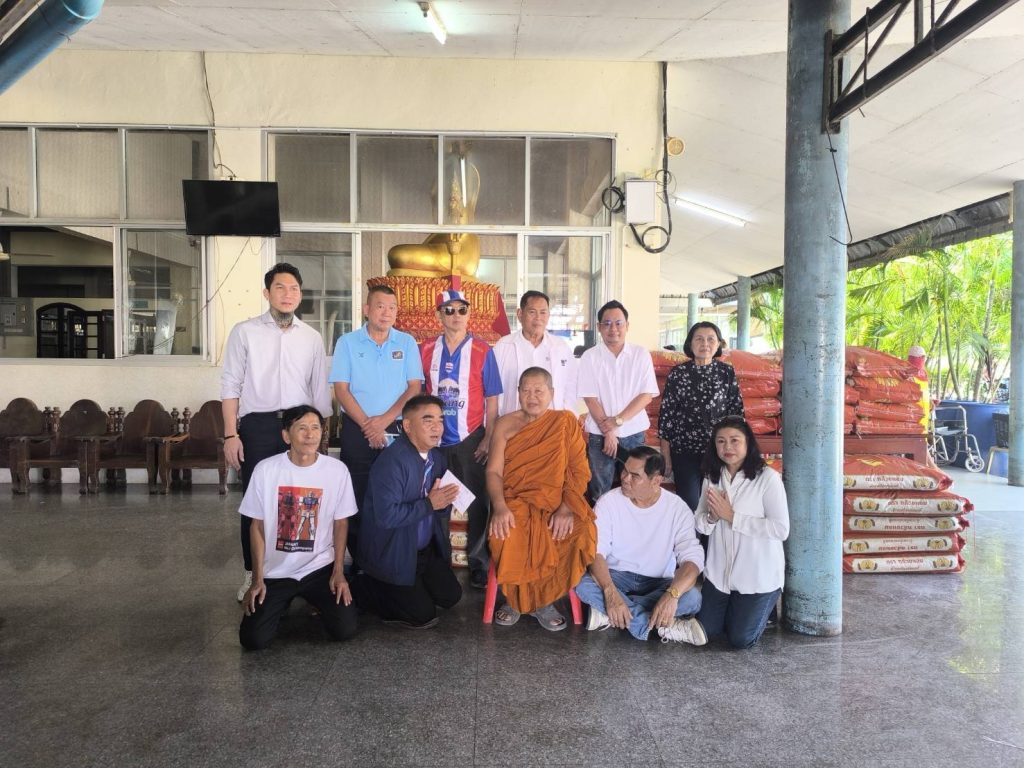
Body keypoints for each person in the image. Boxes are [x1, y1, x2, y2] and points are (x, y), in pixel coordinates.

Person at [221, 263, 333, 602]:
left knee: (302, 499)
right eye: (280, 287)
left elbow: (318, 389)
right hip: (258, 425)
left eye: (294, 288)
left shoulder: (311, 337)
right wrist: (230, 435)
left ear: (301, 294)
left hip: (301, 424)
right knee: (257, 500)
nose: (288, 294)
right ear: (266, 292)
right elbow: (230, 384)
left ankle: (302, 573)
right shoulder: (245, 332)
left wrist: (321, 437)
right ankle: (252, 572)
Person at [238, 405, 358, 650]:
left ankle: (315, 601)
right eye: (302, 428)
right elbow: (256, 526)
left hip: (318, 569)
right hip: (277, 572)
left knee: (344, 629)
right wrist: (257, 579)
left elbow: (341, 523)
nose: (310, 434)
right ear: (286, 435)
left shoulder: (337, 471)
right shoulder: (266, 470)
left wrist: (338, 572)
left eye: (315, 428)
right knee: (253, 640)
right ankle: (282, 602)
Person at [487, 367, 596, 631]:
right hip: (515, 501)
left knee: (581, 530)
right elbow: (493, 472)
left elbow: (579, 472)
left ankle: (545, 601)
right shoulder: (505, 424)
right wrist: (499, 507)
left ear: (552, 393)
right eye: (526, 391)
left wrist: (566, 508)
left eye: (539, 391)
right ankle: (515, 600)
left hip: (557, 502)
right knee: (507, 529)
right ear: (518, 393)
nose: (532, 396)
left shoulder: (565, 422)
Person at [575, 446, 707, 645]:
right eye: (625, 471)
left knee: (693, 597)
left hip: (659, 582)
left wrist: (672, 595)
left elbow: (692, 559)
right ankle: (660, 625)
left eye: (635, 476)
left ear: (656, 481)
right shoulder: (608, 502)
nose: (625, 479)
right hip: (616, 577)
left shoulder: (677, 508)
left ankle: (614, 616)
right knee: (582, 584)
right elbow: (595, 552)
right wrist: (610, 592)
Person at [351, 395, 463, 629]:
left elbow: (439, 509)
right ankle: (366, 585)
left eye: (440, 420)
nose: (437, 427)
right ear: (408, 426)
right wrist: (430, 504)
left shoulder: (437, 458)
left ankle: (412, 585)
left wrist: (447, 501)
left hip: (422, 550)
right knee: (422, 615)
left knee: (451, 596)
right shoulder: (392, 462)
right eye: (428, 420)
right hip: (393, 550)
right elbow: (386, 516)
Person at [329, 285, 424, 555]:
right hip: (357, 429)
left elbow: (414, 387)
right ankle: (360, 559)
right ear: (367, 309)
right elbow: (341, 390)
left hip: (396, 429)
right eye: (380, 306)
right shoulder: (347, 342)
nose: (386, 313)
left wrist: (383, 421)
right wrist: (369, 426)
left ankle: (392, 555)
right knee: (357, 493)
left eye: (392, 308)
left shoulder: (406, 342)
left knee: (395, 492)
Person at [419, 289, 502, 589]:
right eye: (449, 310)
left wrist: (488, 437)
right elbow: (419, 393)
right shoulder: (426, 348)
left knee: (478, 501)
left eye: (461, 310)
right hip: (434, 439)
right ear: (438, 315)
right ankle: (440, 561)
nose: (456, 315)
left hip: (471, 438)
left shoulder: (482, 350)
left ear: (469, 314)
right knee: (436, 499)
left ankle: (478, 562)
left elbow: (492, 399)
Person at [694, 415, 789, 649]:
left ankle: (765, 606)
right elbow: (700, 523)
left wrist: (732, 517)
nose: (727, 447)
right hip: (719, 575)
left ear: (748, 443)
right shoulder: (712, 477)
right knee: (708, 631)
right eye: (721, 441)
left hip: (757, 577)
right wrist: (712, 518)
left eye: (734, 440)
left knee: (739, 639)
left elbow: (780, 529)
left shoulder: (768, 479)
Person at [577, 300, 659, 501]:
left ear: (627, 325)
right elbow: (590, 398)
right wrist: (608, 431)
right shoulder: (589, 357)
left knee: (635, 488)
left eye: (618, 323)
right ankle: (601, 521)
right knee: (600, 491)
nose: (613, 328)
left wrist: (617, 422)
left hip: (633, 433)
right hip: (599, 435)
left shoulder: (640, 354)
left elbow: (646, 395)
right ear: (599, 327)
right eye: (607, 323)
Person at [658, 321, 744, 511]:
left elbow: (736, 413)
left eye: (711, 339)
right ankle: (691, 533)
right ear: (690, 344)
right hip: (684, 452)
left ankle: (710, 534)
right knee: (690, 504)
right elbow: (667, 417)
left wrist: (736, 451)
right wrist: (666, 455)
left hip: (718, 452)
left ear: (718, 344)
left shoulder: (726, 372)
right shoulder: (678, 374)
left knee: (715, 504)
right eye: (699, 339)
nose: (705, 343)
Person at [492, 290, 578, 416]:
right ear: (520, 314)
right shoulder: (504, 346)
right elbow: (492, 390)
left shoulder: (561, 347)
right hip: (513, 422)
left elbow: (571, 386)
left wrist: (569, 417)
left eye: (543, 312)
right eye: (532, 312)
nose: (538, 318)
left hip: (553, 423)